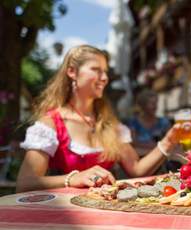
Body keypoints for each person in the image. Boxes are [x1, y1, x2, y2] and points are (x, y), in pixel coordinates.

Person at [17, 45, 179, 192]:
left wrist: (168, 142)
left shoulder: (108, 123)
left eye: (105, 71)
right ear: (72, 72)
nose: (104, 78)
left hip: (105, 211)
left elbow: (136, 169)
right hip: (66, 218)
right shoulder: (51, 124)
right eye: (96, 69)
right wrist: (73, 178)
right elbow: (25, 183)